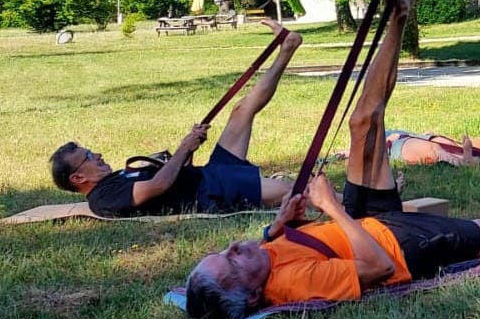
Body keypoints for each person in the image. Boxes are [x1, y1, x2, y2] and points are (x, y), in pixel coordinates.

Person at [185, 0, 480, 319]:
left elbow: (270, 248)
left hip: (364, 224)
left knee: (362, 122)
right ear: (256, 296)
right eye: (233, 263)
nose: (234, 248)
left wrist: (277, 226)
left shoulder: (261, 260)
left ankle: (399, 14)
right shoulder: (292, 286)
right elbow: (378, 269)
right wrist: (332, 209)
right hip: (398, 247)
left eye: (223, 251)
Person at [47, 19, 302, 216]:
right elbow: (158, 186)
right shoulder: (104, 198)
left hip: (209, 174)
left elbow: (171, 177)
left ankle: (287, 47)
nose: (98, 155)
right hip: (213, 192)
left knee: (241, 111)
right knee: (294, 190)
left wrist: (190, 148)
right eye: (89, 157)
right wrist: (184, 146)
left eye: (91, 151)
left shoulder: (114, 180)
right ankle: (341, 204)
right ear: (78, 178)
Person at [335, 130, 480, 167]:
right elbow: (353, 153)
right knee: (434, 149)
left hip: (411, 136)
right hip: (397, 146)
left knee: (448, 145)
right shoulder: (360, 142)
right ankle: (469, 162)